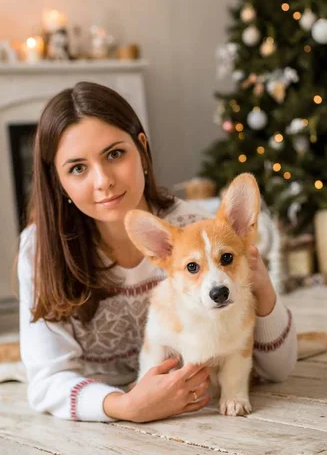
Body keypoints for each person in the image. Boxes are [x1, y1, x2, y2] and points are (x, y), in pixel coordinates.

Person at [18, 81, 297, 423]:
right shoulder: (40, 250)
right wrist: (125, 406)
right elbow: (46, 382)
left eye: (114, 154)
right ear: (57, 180)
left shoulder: (201, 230)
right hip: (110, 412)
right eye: (78, 168)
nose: (103, 180)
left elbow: (279, 370)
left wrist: (261, 283)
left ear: (142, 149)